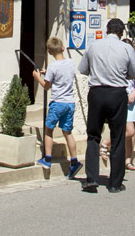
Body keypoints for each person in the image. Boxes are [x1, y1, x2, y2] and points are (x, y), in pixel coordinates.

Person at [77, 18, 135, 193]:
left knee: (93, 135)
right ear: (121, 33)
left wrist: (98, 70)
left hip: (97, 92)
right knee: (118, 136)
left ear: (107, 30)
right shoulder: (126, 48)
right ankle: (115, 183)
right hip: (117, 93)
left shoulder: (93, 45)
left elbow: (82, 69)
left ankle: (91, 179)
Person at [32, 36, 83, 179]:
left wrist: (38, 77)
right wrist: (46, 72)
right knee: (67, 131)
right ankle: (74, 161)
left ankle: (47, 159)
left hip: (57, 102)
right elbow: (61, 73)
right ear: (62, 48)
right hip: (69, 103)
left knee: (49, 130)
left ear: (49, 52)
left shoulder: (53, 67)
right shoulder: (71, 63)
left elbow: (47, 86)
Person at [100, 38, 135, 171]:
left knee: (132, 132)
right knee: (129, 132)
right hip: (121, 100)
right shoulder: (117, 65)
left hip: (133, 100)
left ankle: (128, 159)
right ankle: (106, 143)